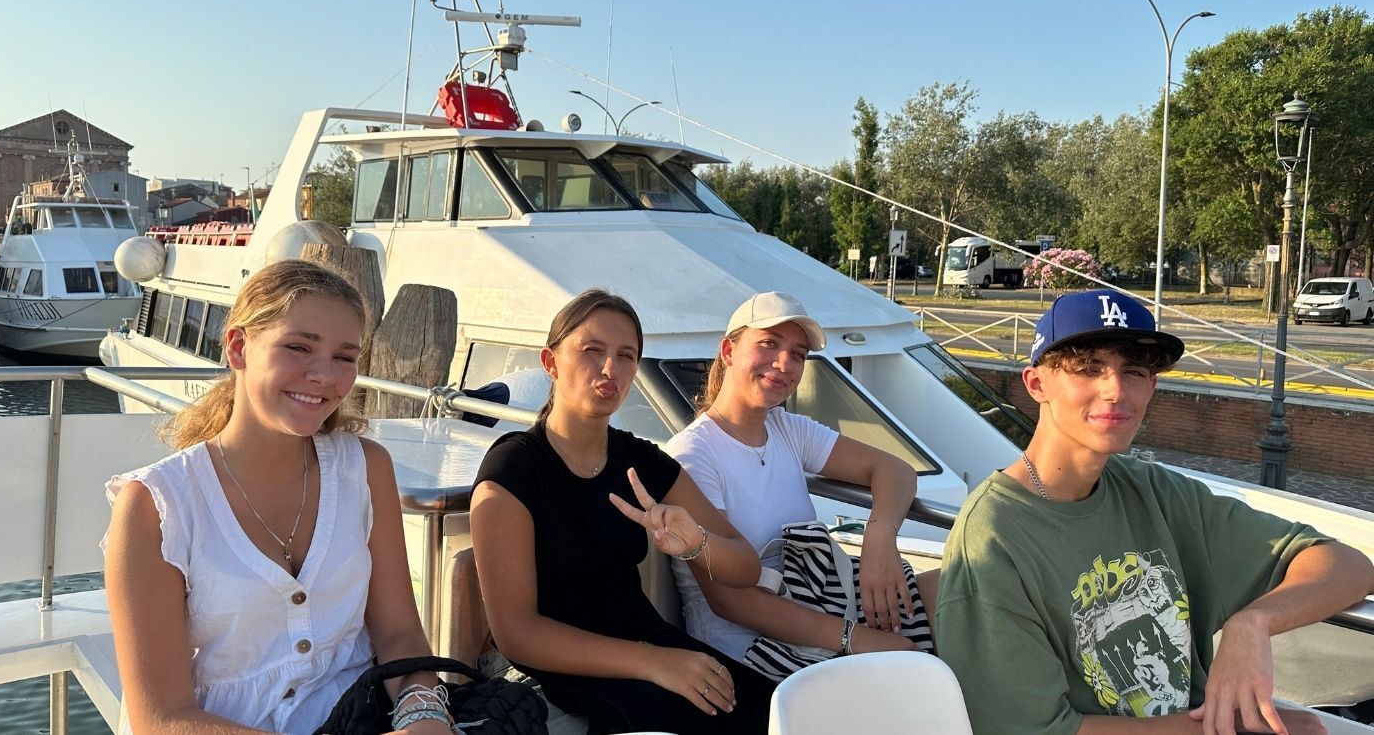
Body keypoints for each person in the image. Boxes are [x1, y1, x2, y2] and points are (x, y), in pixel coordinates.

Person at [935, 288, 1374, 735]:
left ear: (1152, 387)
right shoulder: (994, 535)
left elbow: (1347, 565)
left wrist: (1252, 624)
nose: (1115, 390)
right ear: (1036, 384)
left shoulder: (1155, 492)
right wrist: (1230, 728)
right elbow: (1035, 730)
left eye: (1134, 371)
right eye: (1088, 368)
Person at [103, 259, 456, 734]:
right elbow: (162, 719)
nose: (324, 375)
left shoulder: (365, 468)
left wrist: (423, 713)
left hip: (359, 717)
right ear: (238, 347)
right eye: (298, 347)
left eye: (344, 357)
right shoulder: (156, 505)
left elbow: (399, 634)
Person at [469, 288, 776, 734]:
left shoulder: (641, 461)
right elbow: (516, 633)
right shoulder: (513, 470)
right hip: (567, 671)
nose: (610, 368)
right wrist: (654, 662)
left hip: (651, 646)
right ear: (551, 362)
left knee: (777, 712)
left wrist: (696, 544)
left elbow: (746, 565)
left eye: (626, 356)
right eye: (592, 350)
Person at [666, 291, 934, 677]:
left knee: (960, 591)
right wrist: (856, 638)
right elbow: (730, 600)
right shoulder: (693, 454)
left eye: (797, 354)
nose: (784, 364)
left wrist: (879, 540)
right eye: (769, 344)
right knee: (914, 666)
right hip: (751, 646)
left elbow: (895, 470)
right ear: (728, 351)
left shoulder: (785, 429)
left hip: (817, 601)